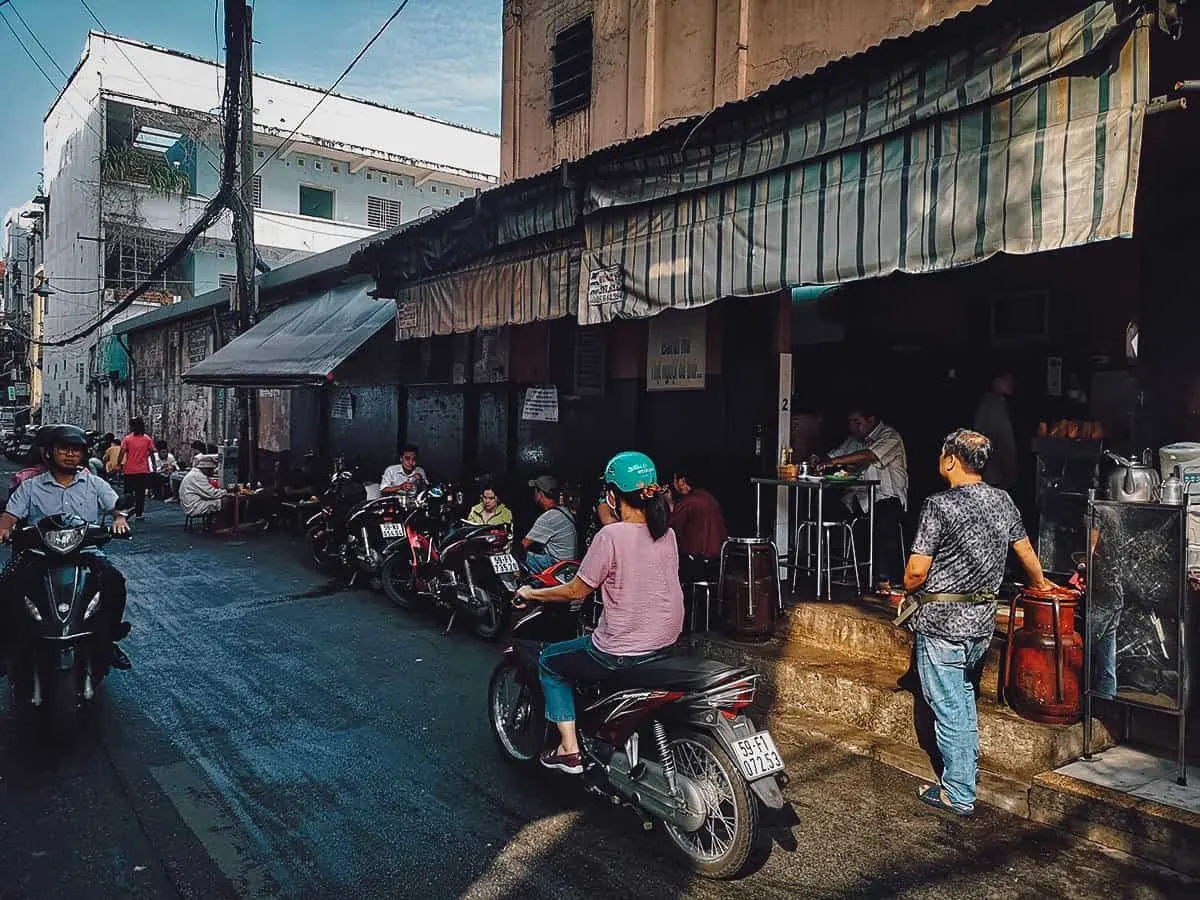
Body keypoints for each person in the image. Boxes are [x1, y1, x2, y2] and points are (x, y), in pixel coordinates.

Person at [901, 429, 1053, 817]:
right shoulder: (1002, 501)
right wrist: (1040, 583)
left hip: (942, 624)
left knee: (950, 707)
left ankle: (959, 792)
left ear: (950, 459)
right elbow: (1024, 551)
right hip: (981, 624)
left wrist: (905, 588)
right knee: (964, 700)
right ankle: (966, 772)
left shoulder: (939, 505)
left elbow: (917, 572)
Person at [515, 451, 684, 774]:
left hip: (620, 650)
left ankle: (568, 749)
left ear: (612, 494)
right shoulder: (667, 534)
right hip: (665, 642)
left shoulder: (610, 537)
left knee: (549, 661)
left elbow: (576, 591)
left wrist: (531, 592)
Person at [0, 425, 133, 669]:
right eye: (64, 449)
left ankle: (108, 637)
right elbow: (10, 515)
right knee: (8, 583)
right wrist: (4, 528)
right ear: (49, 453)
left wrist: (119, 518)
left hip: (85, 551)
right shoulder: (31, 486)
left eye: (76, 450)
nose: (71, 455)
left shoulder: (94, 483)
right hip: (39, 552)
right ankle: (7, 643)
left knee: (114, 580)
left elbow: (116, 506)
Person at [815, 403, 909, 593]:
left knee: (883, 523)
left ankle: (886, 580)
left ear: (871, 420)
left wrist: (833, 462)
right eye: (850, 423)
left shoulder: (890, 436)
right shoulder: (855, 440)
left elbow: (869, 455)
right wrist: (820, 459)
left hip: (887, 498)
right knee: (830, 514)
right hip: (860, 499)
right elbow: (835, 454)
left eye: (857, 422)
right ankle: (847, 572)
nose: (852, 427)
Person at [521, 474, 578, 573]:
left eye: (535, 491)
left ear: (540, 494)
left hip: (556, 566)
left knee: (520, 555)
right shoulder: (564, 511)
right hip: (569, 565)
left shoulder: (548, 518)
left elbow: (524, 545)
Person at [669, 466, 728, 562]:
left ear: (681, 481)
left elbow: (673, 528)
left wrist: (668, 504)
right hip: (719, 555)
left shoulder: (687, 502)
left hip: (697, 558)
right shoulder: (708, 497)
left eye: (675, 480)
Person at [973, 368, 1018, 491]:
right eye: (1007, 380)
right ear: (997, 381)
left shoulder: (995, 403)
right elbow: (1004, 441)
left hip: (991, 474)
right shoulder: (993, 406)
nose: (1011, 383)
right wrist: (1009, 472)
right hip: (993, 476)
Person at [117, 417, 155, 520]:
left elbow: (121, 453)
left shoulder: (128, 439)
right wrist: (149, 460)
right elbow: (152, 452)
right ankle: (139, 513)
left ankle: (126, 510)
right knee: (140, 493)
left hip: (130, 469)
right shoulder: (147, 439)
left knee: (128, 492)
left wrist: (119, 464)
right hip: (143, 469)